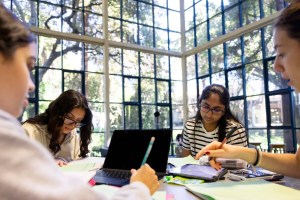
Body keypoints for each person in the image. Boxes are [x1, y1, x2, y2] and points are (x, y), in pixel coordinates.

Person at [0, 3, 159, 199]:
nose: (31, 85)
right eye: (29, 65)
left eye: (78, 122)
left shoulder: (71, 135)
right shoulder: (14, 134)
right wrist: (140, 188)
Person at [196, 1, 300, 178]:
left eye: (281, 53)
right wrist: (244, 153)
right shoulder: (192, 125)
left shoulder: (233, 127)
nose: (275, 66)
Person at [22, 89, 92, 166]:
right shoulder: (29, 131)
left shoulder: (73, 135)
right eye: (69, 118)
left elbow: (77, 164)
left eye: (78, 121)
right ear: (57, 113)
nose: (73, 126)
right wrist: (48, 163)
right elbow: (16, 167)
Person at [181, 84, 248, 160]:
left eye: (217, 110)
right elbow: (185, 162)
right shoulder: (190, 126)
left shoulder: (235, 130)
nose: (209, 115)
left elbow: (242, 165)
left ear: (224, 110)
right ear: (199, 104)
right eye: (206, 107)